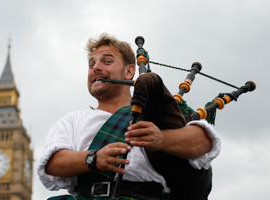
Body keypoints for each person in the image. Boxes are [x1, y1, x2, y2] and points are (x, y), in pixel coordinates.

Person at [37, 33, 221, 200]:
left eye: (106, 62)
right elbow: (52, 163)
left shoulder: (157, 114)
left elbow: (204, 141)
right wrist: (94, 158)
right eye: (91, 64)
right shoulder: (73, 120)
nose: (96, 68)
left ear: (129, 72)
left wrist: (162, 139)